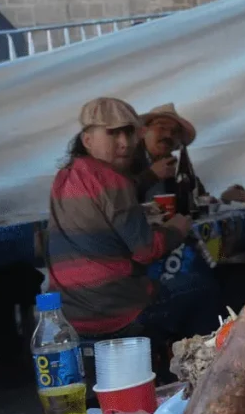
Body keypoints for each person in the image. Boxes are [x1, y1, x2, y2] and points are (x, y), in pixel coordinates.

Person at [46, 97, 192, 337]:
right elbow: (146, 251)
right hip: (114, 312)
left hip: (70, 313)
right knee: (200, 286)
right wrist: (177, 229)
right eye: (113, 134)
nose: (125, 143)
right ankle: (199, 367)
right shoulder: (113, 178)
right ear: (88, 140)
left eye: (129, 133)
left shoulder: (65, 176)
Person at [129, 102, 208, 203]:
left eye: (175, 132)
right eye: (162, 128)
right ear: (144, 131)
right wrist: (151, 176)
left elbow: (197, 197)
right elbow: (115, 197)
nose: (168, 135)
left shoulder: (177, 165)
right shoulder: (126, 158)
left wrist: (223, 199)